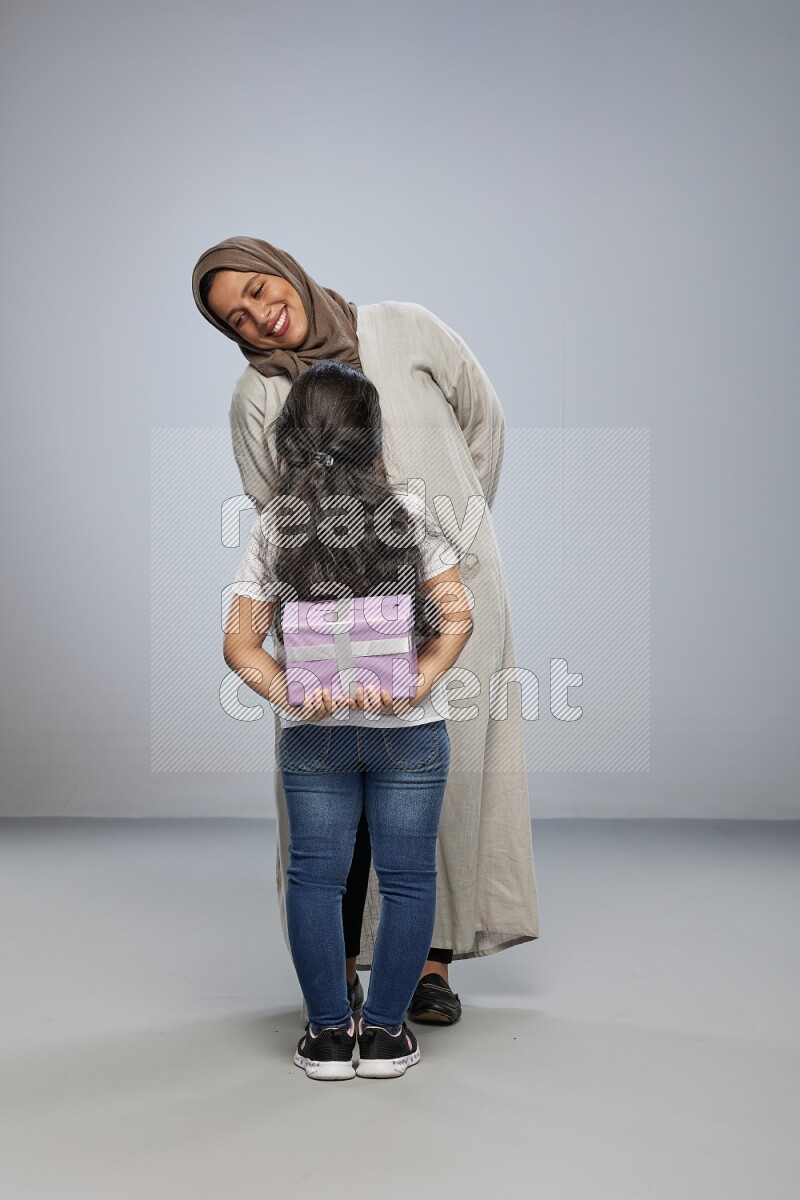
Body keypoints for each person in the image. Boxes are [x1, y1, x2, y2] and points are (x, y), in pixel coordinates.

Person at [192, 237, 539, 1029]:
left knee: (446, 788)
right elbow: (271, 509)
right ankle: (341, 972)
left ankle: (428, 964)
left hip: (451, 593)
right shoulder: (256, 394)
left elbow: (483, 427)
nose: (257, 312)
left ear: (282, 266)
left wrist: (444, 540)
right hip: (329, 617)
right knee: (329, 817)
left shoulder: (408, 330)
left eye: (255, 287)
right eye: (235, 316)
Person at [223, 360, 472, 1079]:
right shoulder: (412, 514)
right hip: (411, 734)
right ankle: (387, 1038)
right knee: (408, 880)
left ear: (289, 439)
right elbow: (458, 616)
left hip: (316, 737)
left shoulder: (274, 527)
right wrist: (417, 680)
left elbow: (240, 644)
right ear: (372, 438)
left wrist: (294, 690)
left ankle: (330, 1037)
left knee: (315, 878)